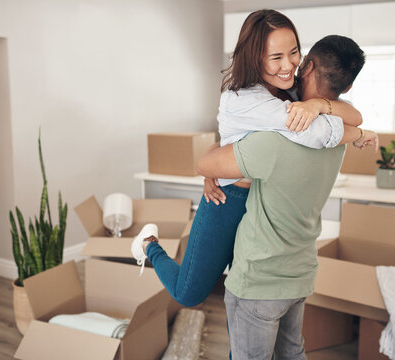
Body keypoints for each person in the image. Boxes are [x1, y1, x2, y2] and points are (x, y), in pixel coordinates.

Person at [131, 10, 365, 308]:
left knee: (240, 287)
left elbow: (352, 112)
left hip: (261, 200)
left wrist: (320, 104)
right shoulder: (244, 99)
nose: (289, 64)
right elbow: (314, 133)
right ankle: (148, 245)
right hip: (226, 199)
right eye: (276, 57)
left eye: (294, 52)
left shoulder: (289, 88)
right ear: (255, 59)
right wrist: (356, 134)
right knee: (188, 293)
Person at [195, 34, 377, 359]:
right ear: (346, 89)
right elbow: (353, 117)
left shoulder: (275, 139)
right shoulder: (338, 136)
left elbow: (204, 163)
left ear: (305, 65)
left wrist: (213, 167)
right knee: (292, 353)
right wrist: (334, 114)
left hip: (259, 278)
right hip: (300, 273)